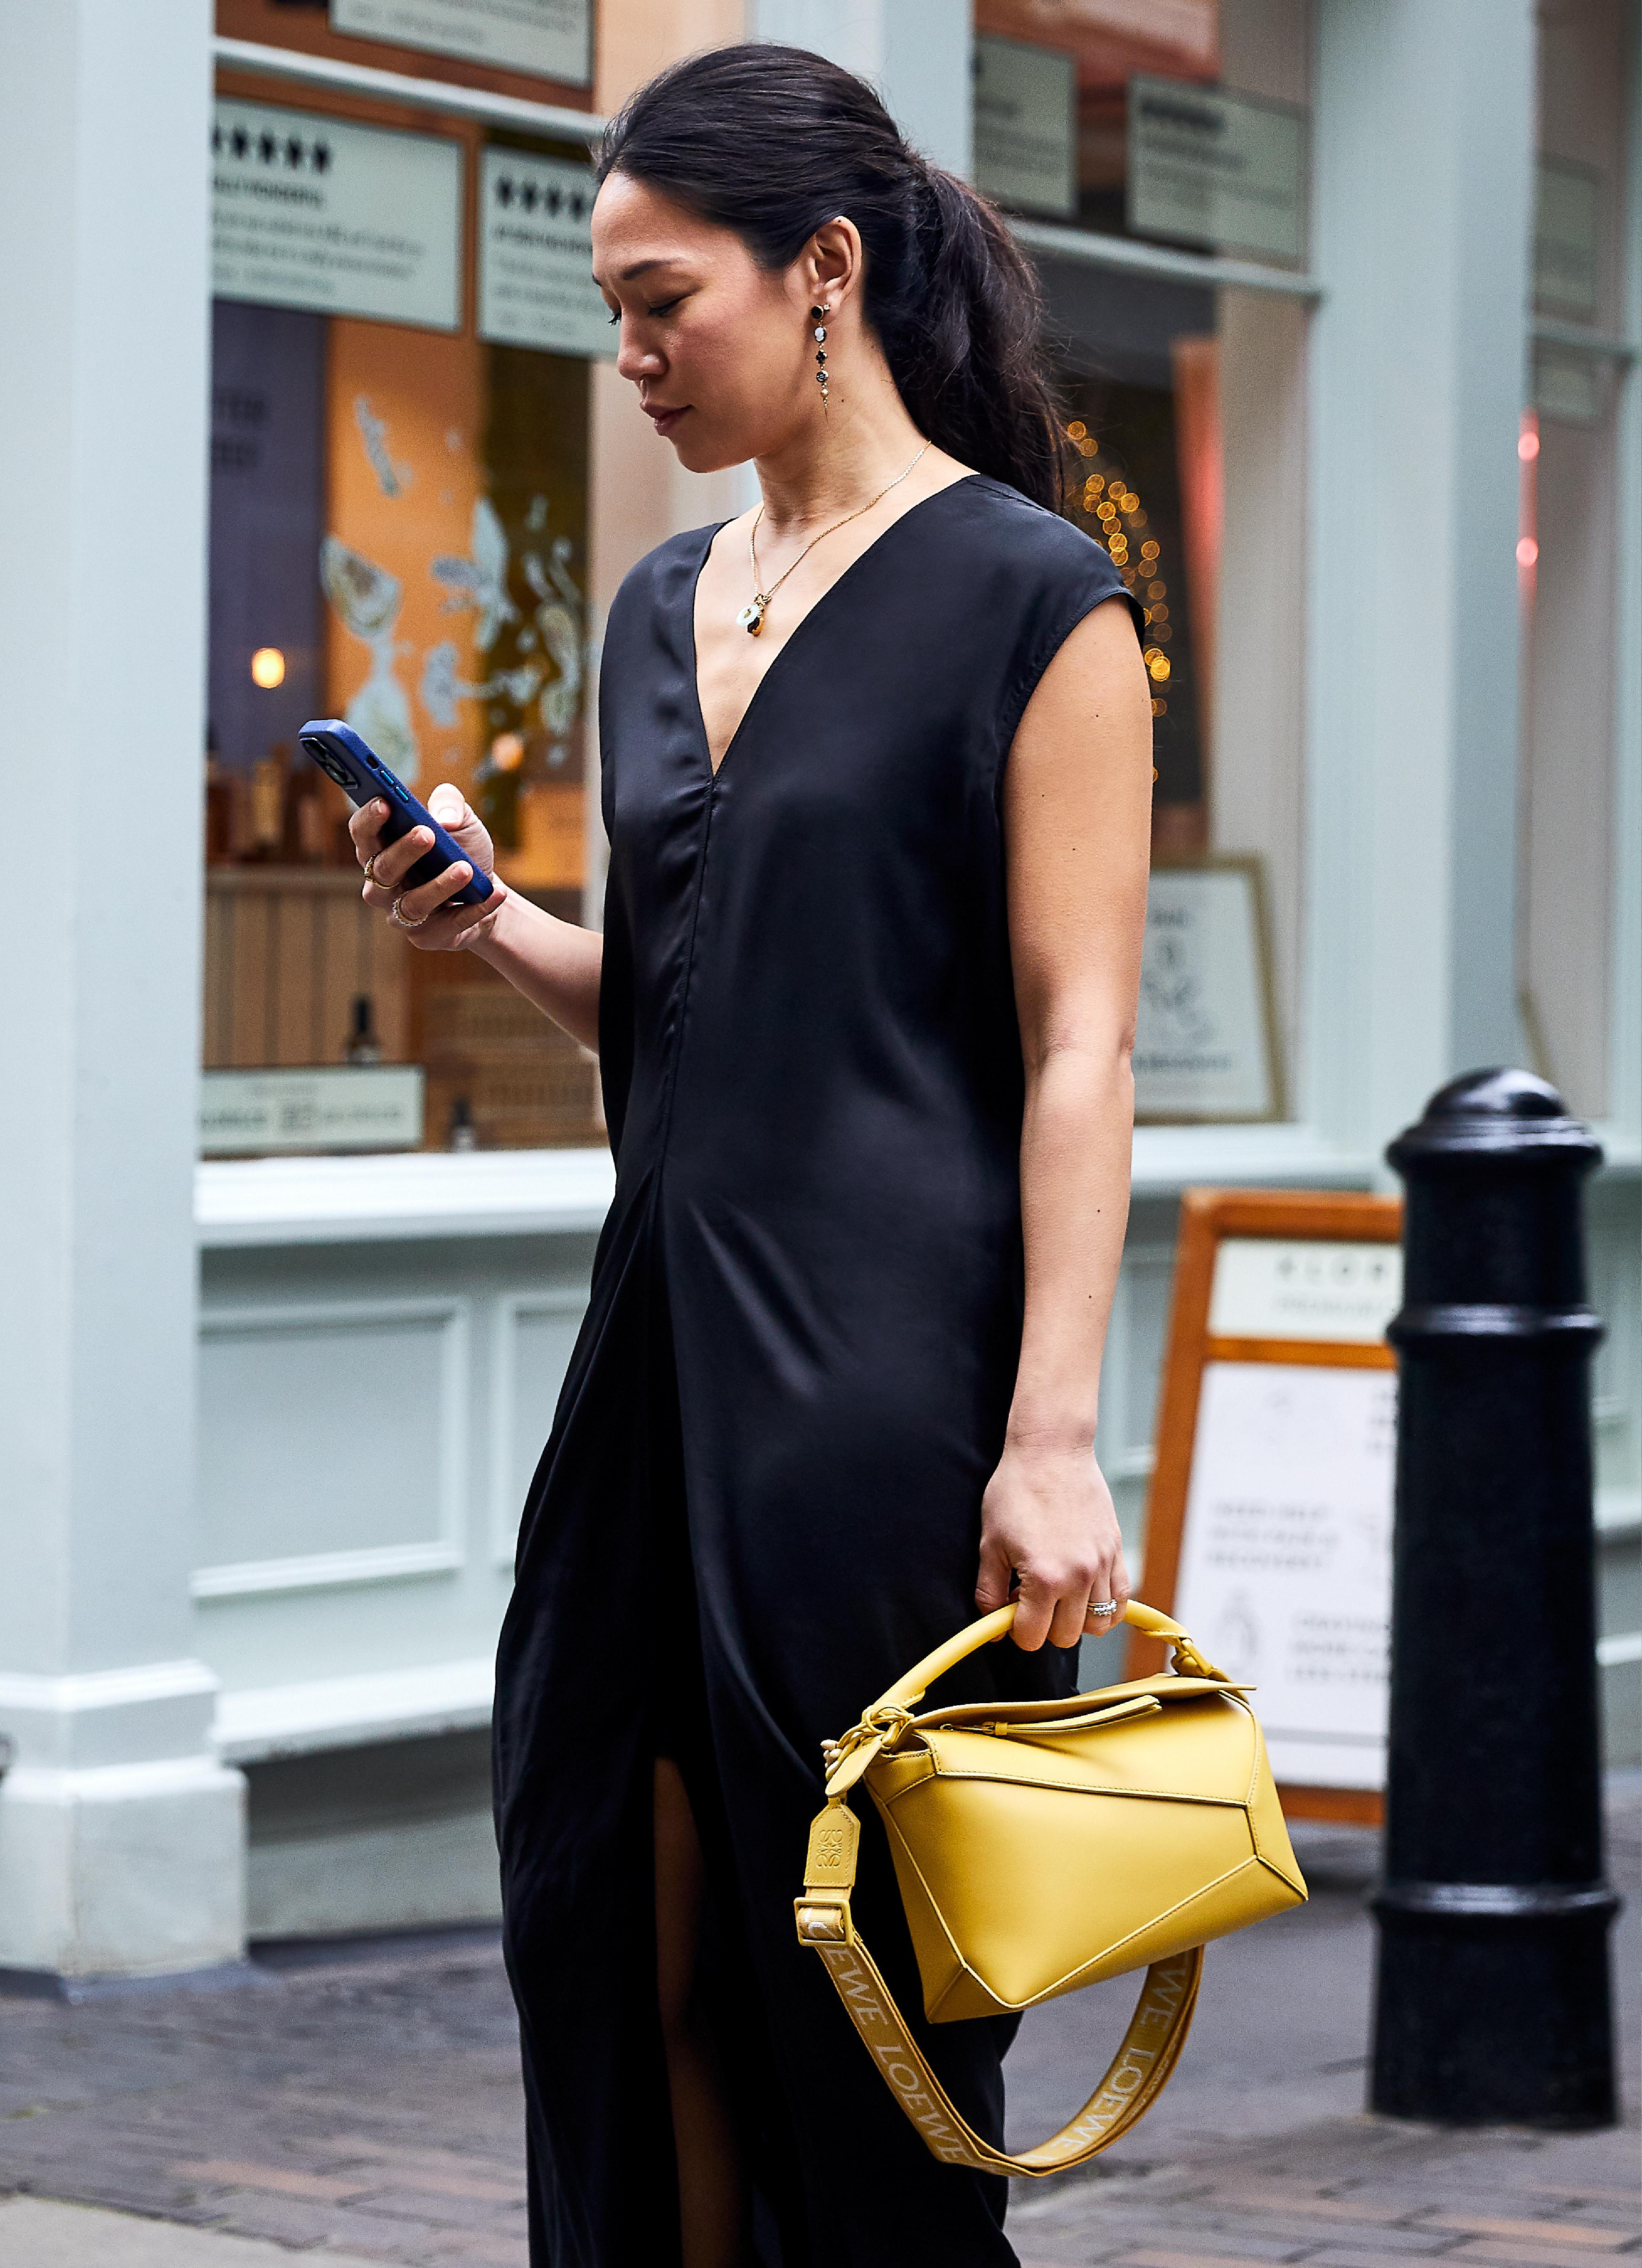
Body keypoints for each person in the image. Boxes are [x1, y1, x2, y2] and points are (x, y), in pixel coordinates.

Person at [349, 43, 1151, 2268]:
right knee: (618, 1936)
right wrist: (492, 922)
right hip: (658, 1359)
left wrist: (1054, 1436)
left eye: (655, 296)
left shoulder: (1031, 598)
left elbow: (1078, 1043)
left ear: (822, 272)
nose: (623, 352)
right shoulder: (653, 612)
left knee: (864, 1999)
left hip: (881, 1398)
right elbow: (702, 1000)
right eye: (603, 305)